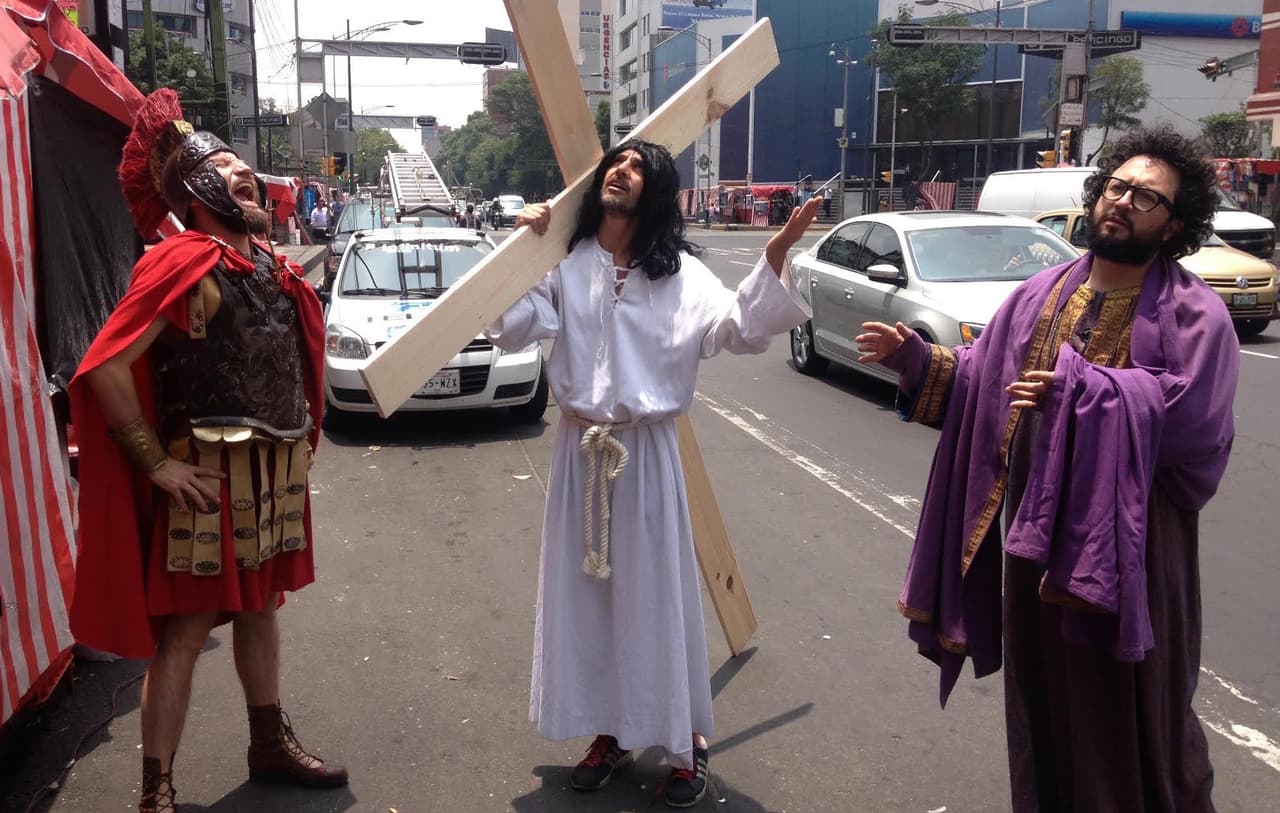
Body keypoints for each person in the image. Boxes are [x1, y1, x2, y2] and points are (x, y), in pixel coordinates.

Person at [857, 127, 1237, 811]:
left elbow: (1198, 427)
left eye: (1146, 197)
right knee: (1044, 708)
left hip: (1135, 552)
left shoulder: (1195, 315)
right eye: (1117, 186)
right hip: (1034, 549)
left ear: (1175, 223)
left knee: (1139, 717)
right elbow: (981, 377)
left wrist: (1087, 396)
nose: (1122, 202)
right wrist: (916, 360)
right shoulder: (1039, 294)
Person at [486, 140, 820, 808]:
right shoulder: (567, 263)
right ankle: (610, 730)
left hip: (643, 457)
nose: (621, 170)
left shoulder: (681, 277)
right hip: (581, 458)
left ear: (657, 192)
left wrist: (776, 254)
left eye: (638, 167)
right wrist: (521, 251)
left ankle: (684, 740)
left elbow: (736, 328)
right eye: (618, 161)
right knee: (589, 604)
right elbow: (509, 326)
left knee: (654, 601)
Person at [69, 88, 346, 812]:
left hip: (273, 469)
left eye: (239, 162)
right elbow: (105, 366)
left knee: (262, 610)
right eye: (221, 166)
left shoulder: (271, 266)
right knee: (187, 630)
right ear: (193, 191)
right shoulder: (182, 262)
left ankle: (268, 744)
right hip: (209, 474)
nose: (242, 171)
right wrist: (155, 464)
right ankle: (154, 791)